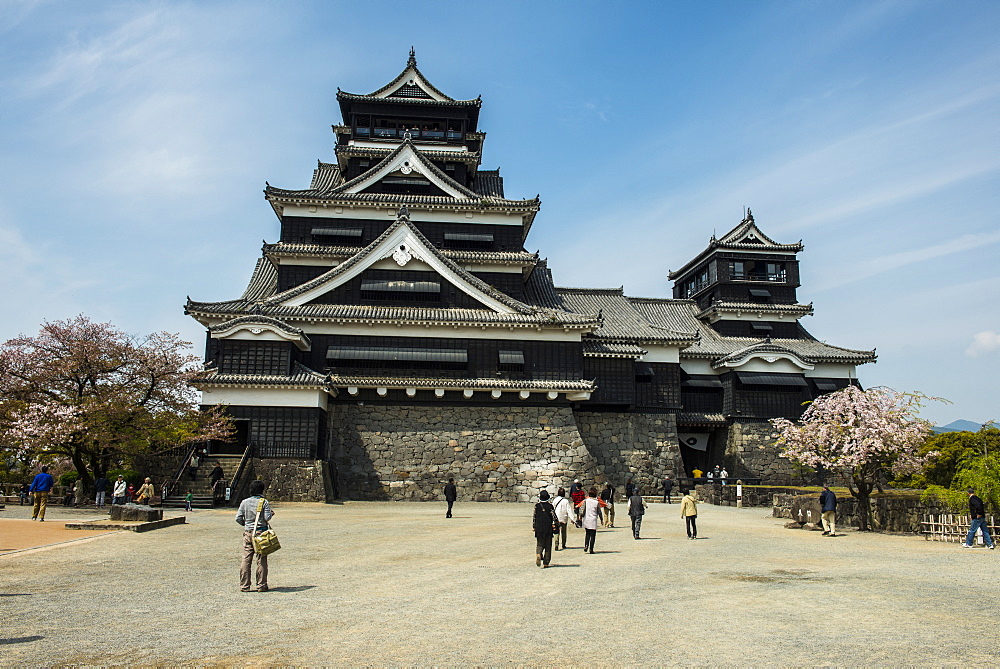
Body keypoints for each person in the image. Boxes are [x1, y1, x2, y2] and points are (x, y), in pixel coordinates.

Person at [235, 480, 274, 592]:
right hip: (260, 533)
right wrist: (271, 513)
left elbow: (238, 518)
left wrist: (246, 525)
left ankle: (244, 585)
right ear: (262, 490)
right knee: (261, 559)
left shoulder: (244, 502)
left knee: (246, 559)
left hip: (248, 533)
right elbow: (267, 518)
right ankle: (261, 585)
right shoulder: (264, 502)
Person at [532, 490, 559, 568]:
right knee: (548, 545)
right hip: (548, 528)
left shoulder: (537, 506)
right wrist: (557, 524)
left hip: (539, 528)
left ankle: (538, 553)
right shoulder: (550, 506)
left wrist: (534, 527)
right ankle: (546, 562)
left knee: (540, 543)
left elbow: (534, 517)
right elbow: (554, 517)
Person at [576, 488, 604, 554]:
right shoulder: (596, 502)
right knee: (593, 535)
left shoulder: (586, 501)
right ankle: (591, 549)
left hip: (586, 518)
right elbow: (599, 512)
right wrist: (601, 519)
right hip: (593, 519)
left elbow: (582, 509)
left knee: (587, 534)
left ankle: (586, 545)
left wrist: (580, 517)